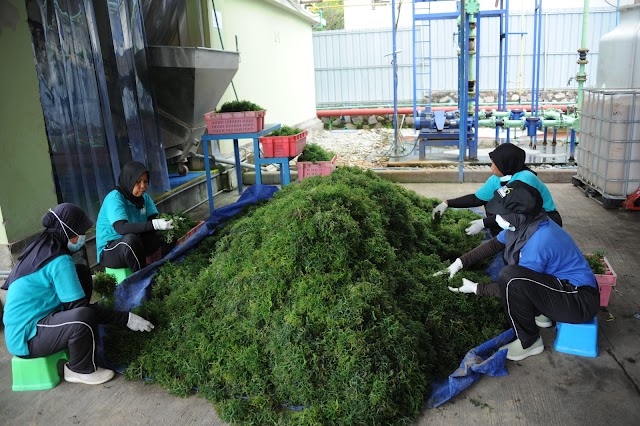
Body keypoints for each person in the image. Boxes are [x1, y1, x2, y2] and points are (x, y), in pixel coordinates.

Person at [443, 181, 599, 361]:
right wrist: (460, 262)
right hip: (561, 288)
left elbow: (515, 285)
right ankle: (542, 313)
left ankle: (529, 342)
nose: (497, 217)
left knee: (510, 276)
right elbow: (494, 244)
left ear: (518, 214)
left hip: (579, 301)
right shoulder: (526, 223)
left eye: (502, 214)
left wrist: (477, 288)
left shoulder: (539, 240)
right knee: (515, 273)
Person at [2, 203, 154, 385]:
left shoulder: (41, 247)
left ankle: (78, 340)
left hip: (37, 321)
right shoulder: (58, 260)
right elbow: (82, 310)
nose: (83, 237)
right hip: (27, 337)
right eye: (80, 232)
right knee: (83, 316)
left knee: (81, 273)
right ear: (67, 231)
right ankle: (79, 369)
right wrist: (126, 318)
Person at [431, 143, 562, 237]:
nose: (491, 166)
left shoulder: (526, 178)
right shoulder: (496, 179)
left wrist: (484, 223)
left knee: (500, 204)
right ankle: (504, 238)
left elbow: (517, 213)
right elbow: (477, 199)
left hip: (544, 220)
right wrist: (447, 203)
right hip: (521, 220)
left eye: (495, 163)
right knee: (491, 202)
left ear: (506, 163)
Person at [96, 161, 174, 272]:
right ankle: (143, 277)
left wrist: (169, 221)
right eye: (137, 182)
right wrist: (155, 224)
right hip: (111, 249)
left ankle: (166, 266)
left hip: (137, 242)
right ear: (128, 181)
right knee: (130, 240)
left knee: (168, 230)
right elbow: (121, 228)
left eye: (145, 181)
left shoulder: (144, 198)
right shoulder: (115, 199)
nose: (142, 186)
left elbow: (154, 220)